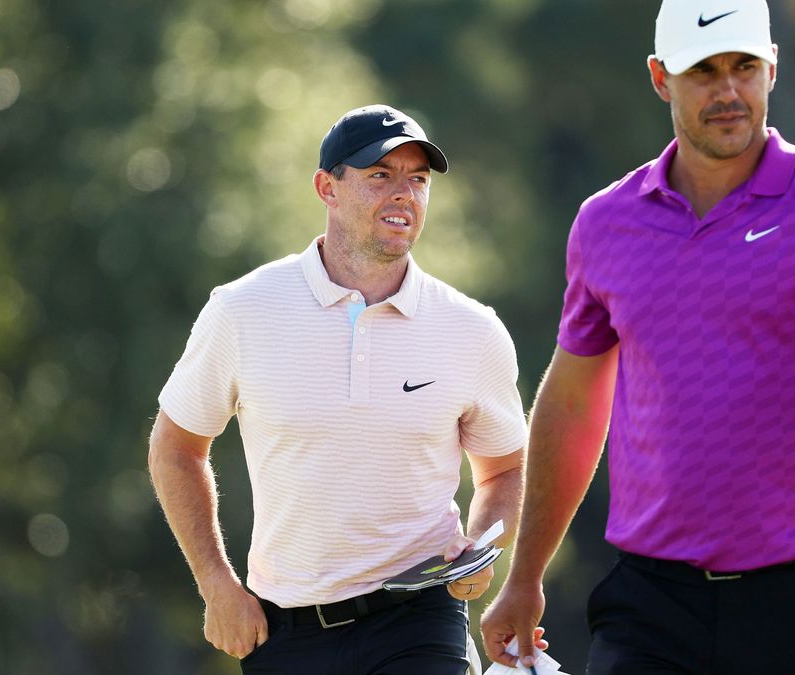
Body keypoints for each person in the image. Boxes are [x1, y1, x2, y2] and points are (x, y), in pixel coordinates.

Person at [480, 0, 795, 675]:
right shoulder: (607, 222)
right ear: (660, 78)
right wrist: (525, 575)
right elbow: (574, 404)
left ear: (772, 68)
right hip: (652, 600)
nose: (729, 91)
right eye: (704, 71)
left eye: (744, 68)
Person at [149, 104, 529, 674]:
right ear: (327, 187)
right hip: (287, 629)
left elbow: (505, 469)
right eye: (381, 175)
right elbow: (176, 448)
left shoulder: (471, 330)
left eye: (418, 180)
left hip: (419, 619)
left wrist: (479, 548)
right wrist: (216, 584)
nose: (404, 194)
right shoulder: (243, 310)